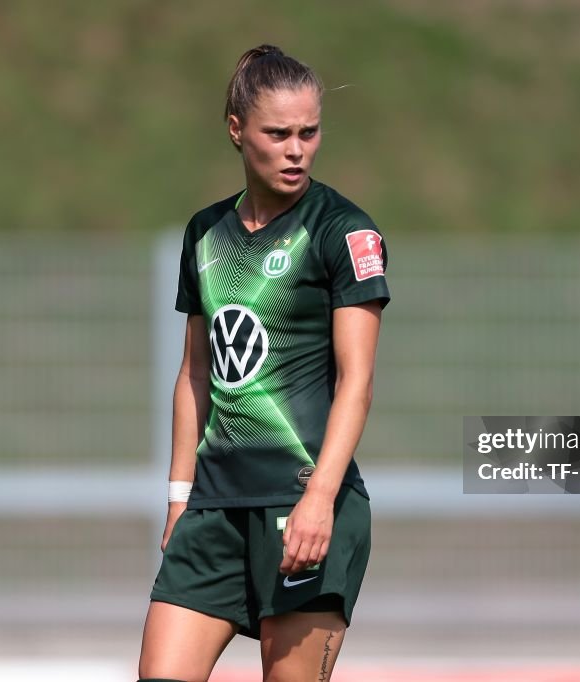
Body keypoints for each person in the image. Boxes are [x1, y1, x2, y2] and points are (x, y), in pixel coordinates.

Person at [137, 45, 390, 682]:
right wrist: (177, 497)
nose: (296, 149)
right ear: (236, 130)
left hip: (303, 503)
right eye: (278, 133)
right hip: (213, 507)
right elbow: (195, 373)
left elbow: (356, 382)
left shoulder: (342, 230)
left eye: (309, 132)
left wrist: (320, 500)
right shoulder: (205, 233)